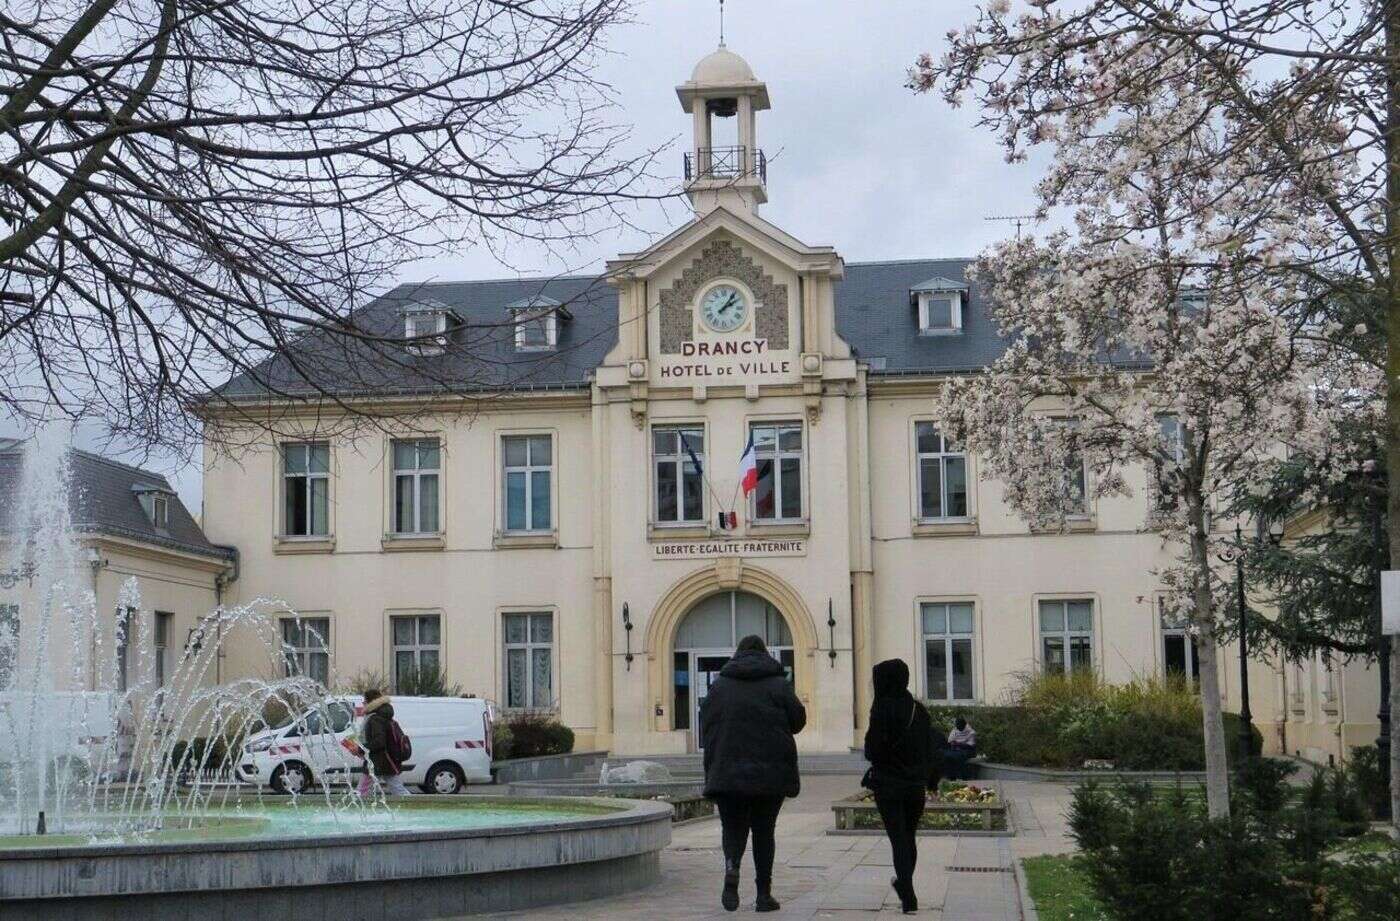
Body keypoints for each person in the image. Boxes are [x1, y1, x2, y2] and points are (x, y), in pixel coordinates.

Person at [700, 634, 807, 913]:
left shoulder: (720, 685)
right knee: (763, 832)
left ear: (738, 654)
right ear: (764, 654)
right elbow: (798, 721)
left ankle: (732, 867)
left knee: (732, 828)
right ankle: (763, 895)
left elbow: (706, 722)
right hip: (769, 772)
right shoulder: (778, 684)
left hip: (727, 771)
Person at [862, 659, 938, 915]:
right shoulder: (919, 710)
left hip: (888, 785)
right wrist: (931, 781)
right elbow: (931, 750)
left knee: (898, 839)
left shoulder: (881, 710)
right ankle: (907, 887)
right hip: (915, 786)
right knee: (908, 836)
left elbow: (872, 750)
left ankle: (908, 893)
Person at [357, 689, 412, 796]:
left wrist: (360, 748)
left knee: (362, 790)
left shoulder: (375, 718)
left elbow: (379, 742)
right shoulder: (384, 715)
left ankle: (414, 807)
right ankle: (414, 806)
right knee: (397, 789)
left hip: (378, 760)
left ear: (370, 702)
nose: (363, 703)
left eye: (364, 701)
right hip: (385, 760)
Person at [942, 715, 978, 780]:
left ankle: (963, 776)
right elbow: (950, 741)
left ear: (963, 725)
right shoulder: (955, 730)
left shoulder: (971, 732)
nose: (957, 727)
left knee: (957, 756)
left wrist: (958, 744)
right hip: (956, 750)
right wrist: (953, 744)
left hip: (968, 751)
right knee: (945, 755)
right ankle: (951, 776)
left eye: (958, 725)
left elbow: (971, 746)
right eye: (956, 725)